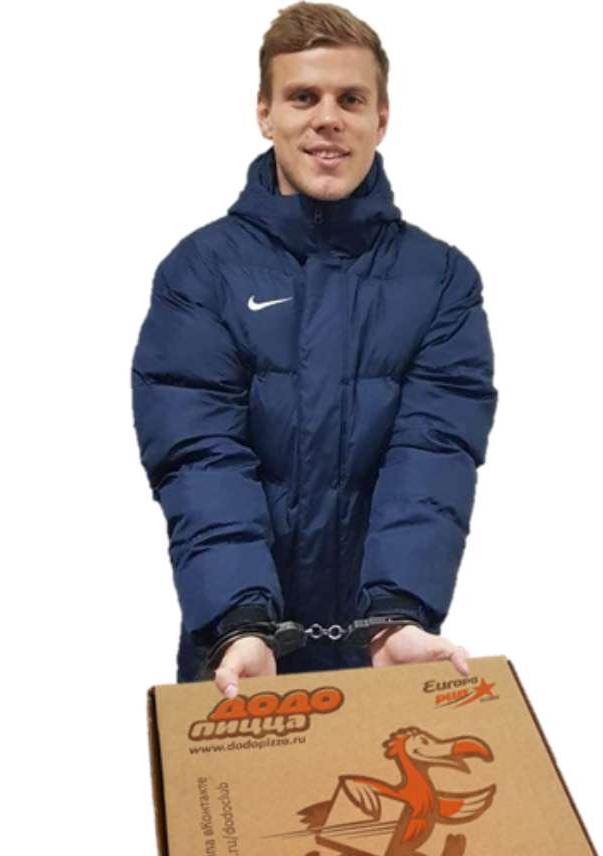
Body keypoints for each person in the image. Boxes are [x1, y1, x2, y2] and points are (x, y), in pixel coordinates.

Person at [131, 2, 497, 698]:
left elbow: (434, 453)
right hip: (237, 657)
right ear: (264, 113)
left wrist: (396, 615)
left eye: (350, 99)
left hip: (385, 658)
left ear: (381, 118)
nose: (327, 118)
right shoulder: (201, 273)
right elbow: (200, 456)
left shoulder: (441, 281)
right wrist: (239, 620)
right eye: (303, 97)